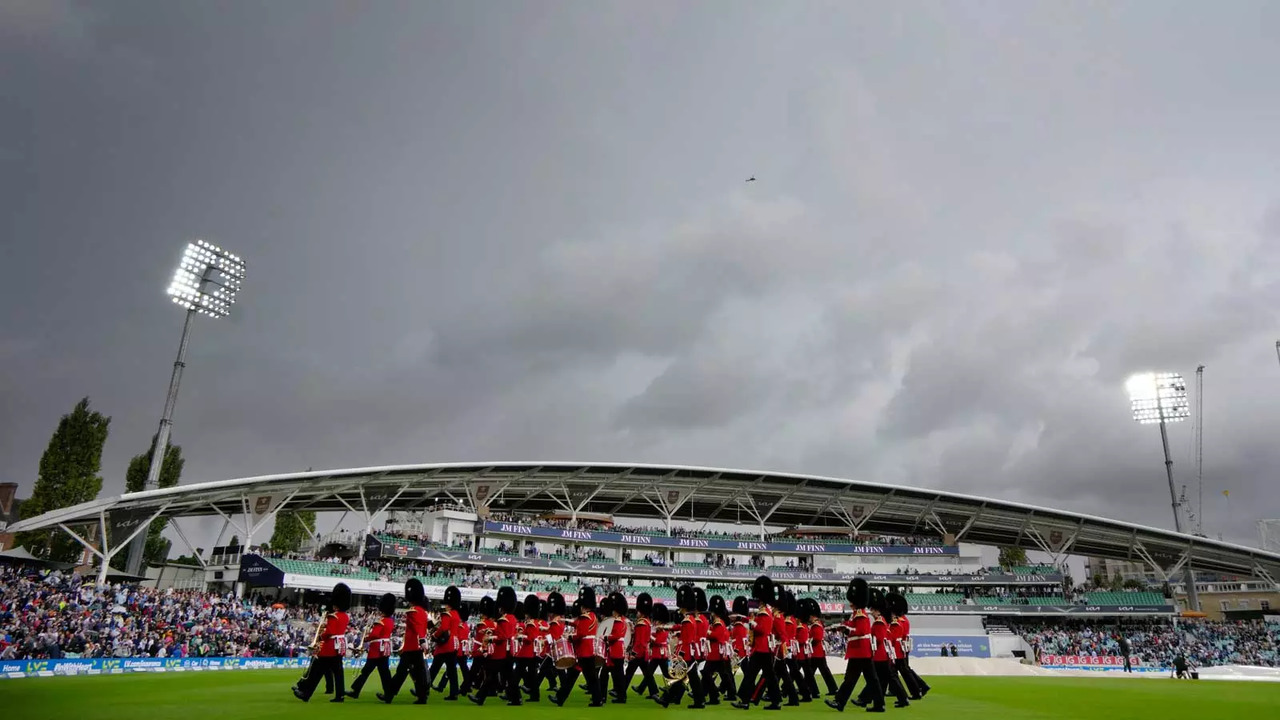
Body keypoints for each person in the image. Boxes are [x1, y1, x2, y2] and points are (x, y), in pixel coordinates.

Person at [825, 578, 882, 713]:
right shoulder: (856, 613)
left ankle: (840, 701)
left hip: (860, 651)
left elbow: (861, 631)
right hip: (859, 651)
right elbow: (853, 627)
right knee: (867, 679)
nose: (850, 603)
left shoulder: (861, 614)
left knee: (854, 678)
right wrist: (842, 626)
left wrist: (847, 629)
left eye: (851, 601)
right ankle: (878, 704)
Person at [293, 582, 351, 703]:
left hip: (329, 647)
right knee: (338, 673)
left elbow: (329, 632)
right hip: (339, 647)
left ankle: (306, 694)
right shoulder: (345, 616)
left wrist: (320, 636)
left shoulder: (333, 616)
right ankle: (339, 695)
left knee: (316, 671)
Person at [732, 576, 782, 711]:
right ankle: (774, 701)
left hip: (761, 648)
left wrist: (751, 624)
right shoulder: (764, 611)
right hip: (762, 649)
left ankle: (745, 700)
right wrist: (748, 619)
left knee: (753, 675)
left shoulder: (765, 612)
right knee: (766, 676)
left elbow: (762, 630)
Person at [855, 589, 909, 710]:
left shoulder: (879, 622)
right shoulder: (882, 620)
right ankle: (902, 698)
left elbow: (878, 639)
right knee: (886, 678)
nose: (871, 612)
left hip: (879, 654)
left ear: (877, 610)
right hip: (883, 654)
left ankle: (866, 699)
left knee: (877, 679)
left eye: (872, 610)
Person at [379, 578, 430, 704]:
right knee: (418, 673)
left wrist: (422, 639)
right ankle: (422, 697)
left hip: (411, 647)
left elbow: (418, 627)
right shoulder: (423, 611)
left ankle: (389, 694)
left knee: (401, 672)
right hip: (416, 647)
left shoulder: (414, 611)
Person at [551, 587, 603, 707]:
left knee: (589, 678)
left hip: (584, 651)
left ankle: (597, 700)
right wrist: (564, 620)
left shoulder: (586, 617)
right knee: (577, 677)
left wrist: (570, 637)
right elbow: (576, 623)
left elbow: (581, 634)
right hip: (586, 650)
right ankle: (560, 698)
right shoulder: (591, 616)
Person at [658, 584, 705, 708]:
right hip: (689, 652)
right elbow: (680, 627)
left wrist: (681, 655)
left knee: (681, 676)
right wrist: (666, 627)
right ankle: (698, 701)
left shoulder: (687, 620)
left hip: (686, 652)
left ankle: (666, 699)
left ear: (683, 606)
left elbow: (687, 640)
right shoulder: (689, 619)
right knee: (690, 679)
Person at [348, 592, 397, 700]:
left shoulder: (381, 621)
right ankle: (389, 694)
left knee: (366, 671)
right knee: (384, 673)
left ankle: (355, 691)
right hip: (385, 649)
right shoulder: (390, 621)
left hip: (377, 650)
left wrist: (366, 638)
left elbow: (375, 634)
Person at [887, 592, 928, 699]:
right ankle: (894, 689)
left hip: (899, 648)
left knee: (904, 670)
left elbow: (898, 635)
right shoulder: (902, 619)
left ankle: (919, 689)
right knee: (896, 670)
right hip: (901, 647)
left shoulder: (900, 620)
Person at [428, 585, 463, 699]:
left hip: (445, 645)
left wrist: (434, 635)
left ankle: (423, 688)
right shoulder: (457, 615)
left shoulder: (447, 614)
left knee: (434, 668)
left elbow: (443, 628)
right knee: (452, 671)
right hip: (454, 643)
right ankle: (454, 693)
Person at [703, 595, 735, 705]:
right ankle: (727, 693)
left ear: (713, 612)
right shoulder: (720, 622)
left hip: (716, 653)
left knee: (707, 673)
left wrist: (707, 632)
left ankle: (714, 694)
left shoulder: (718, 623)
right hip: (718, 653)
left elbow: (717, 636)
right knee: (724, 674)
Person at [804, 598, 838, 697]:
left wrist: (809, 642)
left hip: (816, 653)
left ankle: (810, 689)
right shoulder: (816, 624)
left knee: (813, 672)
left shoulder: (816, 625)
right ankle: (831, 688)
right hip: (816, 653)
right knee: (815, 672)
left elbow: (817, 638)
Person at [624, 592, 654, 698]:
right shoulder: (646, 622)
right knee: (647, 674)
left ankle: (621, 691)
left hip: (639, 652)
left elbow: (639, 641)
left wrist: (633, 653)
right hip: (643, 652)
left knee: (629, 672)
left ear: (640, 611)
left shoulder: (641, 623)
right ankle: (654, 691)